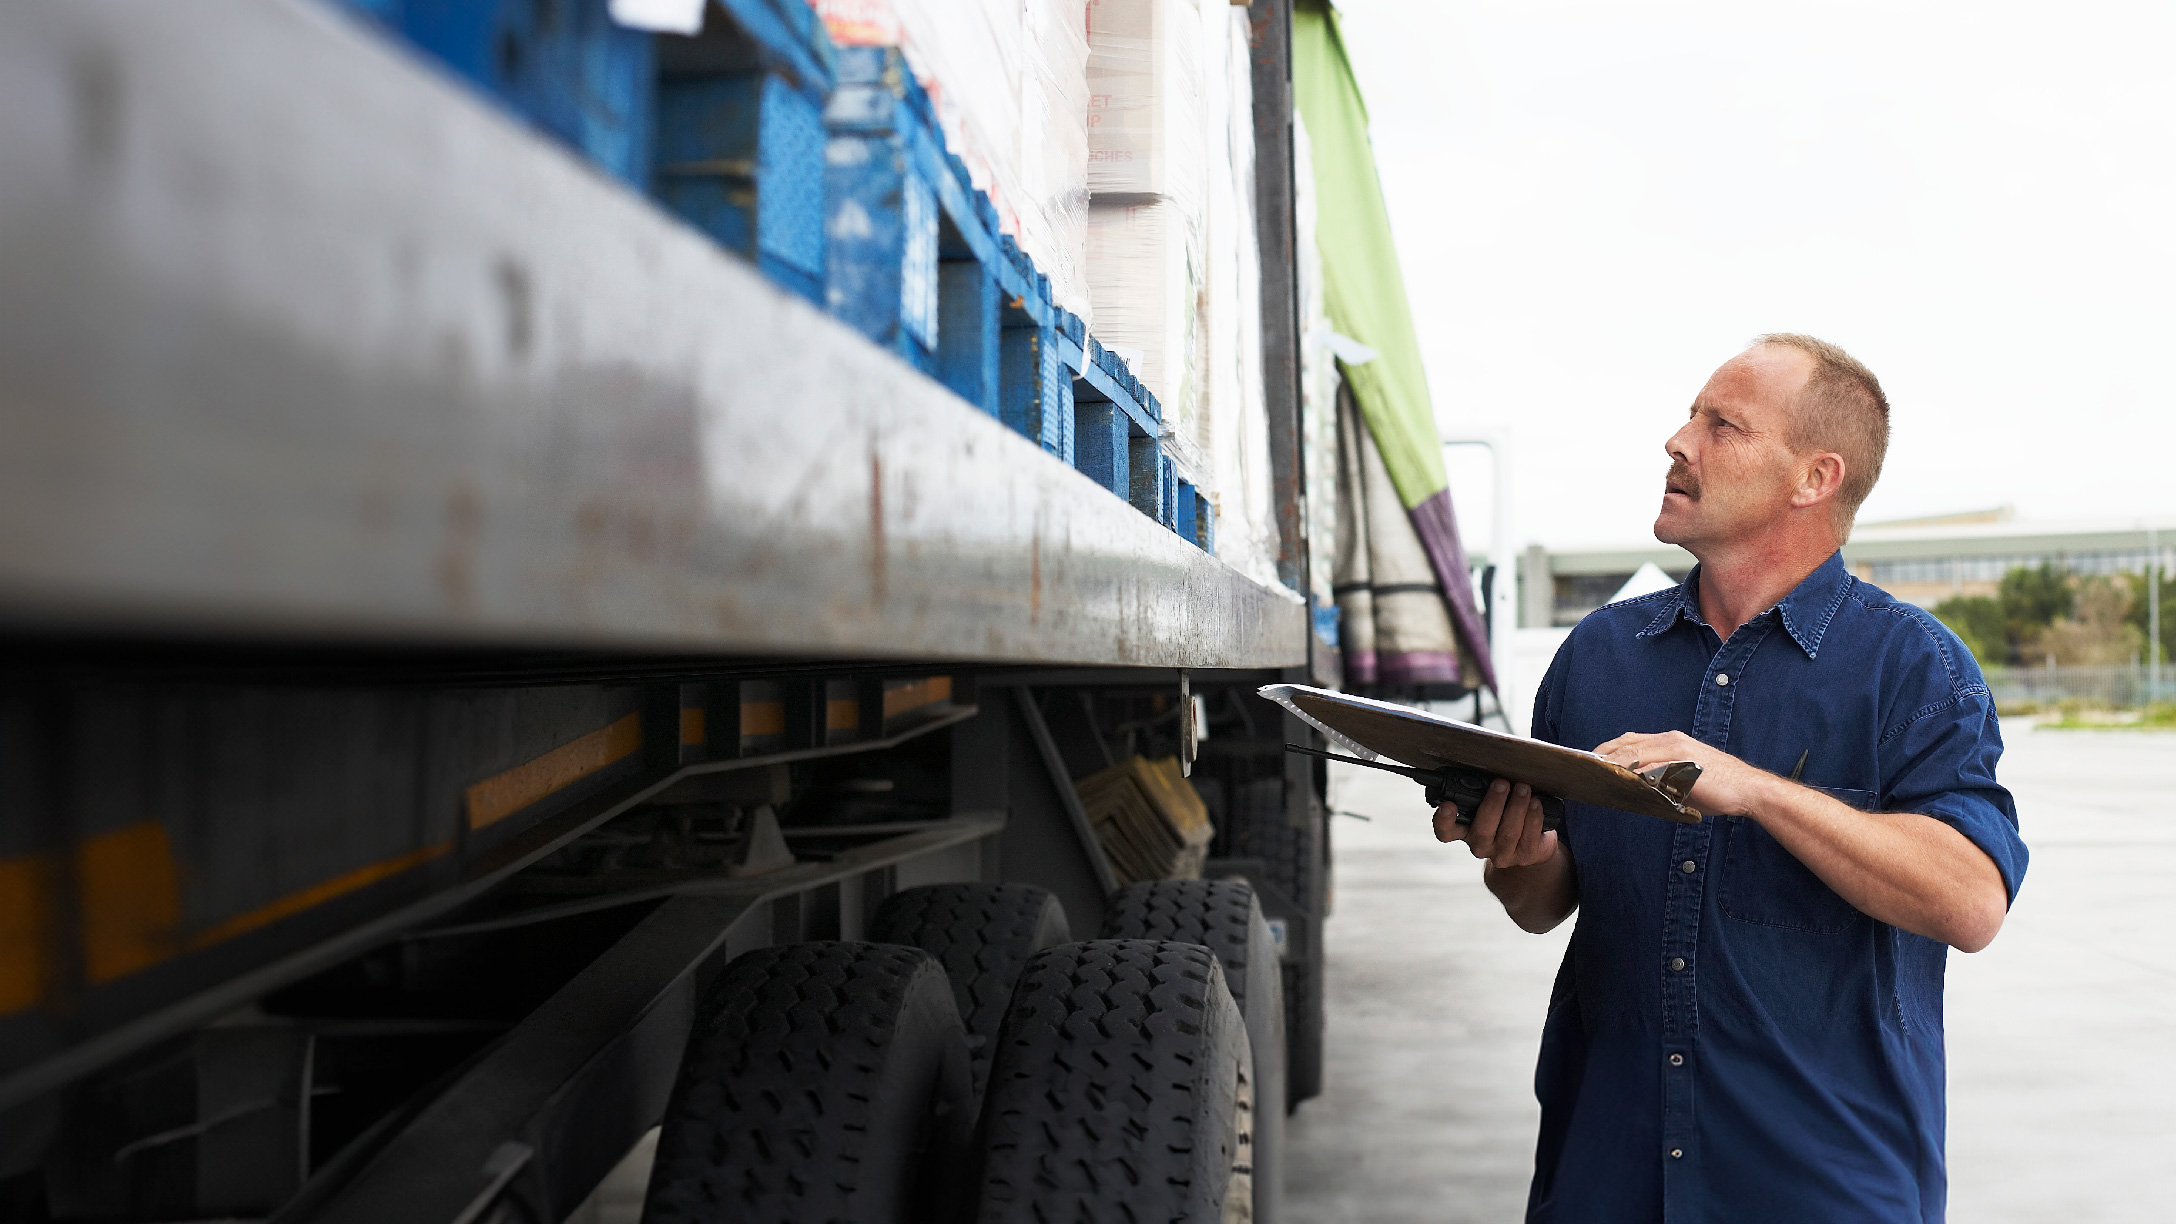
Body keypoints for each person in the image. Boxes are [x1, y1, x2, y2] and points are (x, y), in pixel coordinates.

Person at [1439, 335, 2026, 1223]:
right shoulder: (1600, 653)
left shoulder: (1913, 666)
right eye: (1689, 416)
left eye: (1724, 425)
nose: (1678, 441)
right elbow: (1540, 902)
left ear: (1813, 478)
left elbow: (1972, 901)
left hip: (1821, 1185)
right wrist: (1512, 851)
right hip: (1605, 1174)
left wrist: (1753, 789)